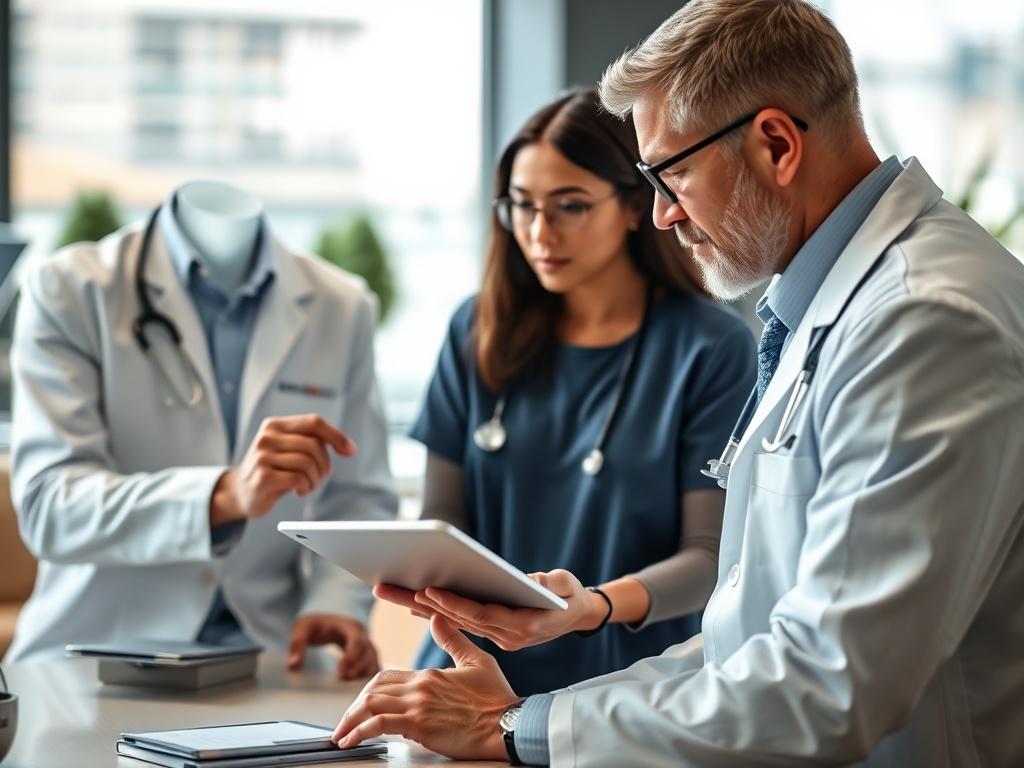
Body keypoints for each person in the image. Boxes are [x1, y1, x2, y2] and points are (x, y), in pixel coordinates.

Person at [330, 1, 1024, 764]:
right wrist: (530, 717)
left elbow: (827, 683)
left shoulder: (924, 322)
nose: (661, 214)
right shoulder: (829, 309)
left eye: (673, 174)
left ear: (775, 144)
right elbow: (745, 643)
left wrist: (518, 728)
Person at [375, 89, 755, 697]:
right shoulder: (476, 329)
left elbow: (710, 559)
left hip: (630, 691)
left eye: (569, 206)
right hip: (472, 676)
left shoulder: (713, 349)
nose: (539, 232)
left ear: (637, 206)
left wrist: (590, 607)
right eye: (521, 207)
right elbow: (444, 520)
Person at [6, 180, 398, 681]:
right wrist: (223, 495)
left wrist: (336, 601)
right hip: (93, 660)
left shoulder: (341, 307)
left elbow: (358, 497)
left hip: (270, 662)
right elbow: (49, 507)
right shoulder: (70, 290)